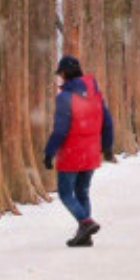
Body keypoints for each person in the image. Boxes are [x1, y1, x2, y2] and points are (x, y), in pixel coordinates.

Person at [43, 55, 115, 248]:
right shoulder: (95, 95)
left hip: (71, 152)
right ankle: (85, 236)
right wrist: (107, 147)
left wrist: (49, 152)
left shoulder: (65, 98)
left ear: (64, 73)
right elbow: (107, 122)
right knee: (82, 192)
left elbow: (60, 130)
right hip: (91, 151)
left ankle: (86, 223)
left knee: (66, 193)